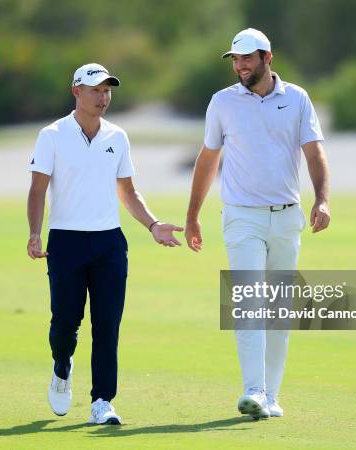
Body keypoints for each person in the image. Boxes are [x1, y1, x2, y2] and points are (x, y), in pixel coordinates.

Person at [185, 28, 331, 419]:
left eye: (247, 57)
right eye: (235, 58)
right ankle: (253, 390)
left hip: (286, 217)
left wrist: (323, 199)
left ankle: (271, 396)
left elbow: (314, 153)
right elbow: (208, 159)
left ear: (268, 57)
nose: (240, 64)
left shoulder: (297, 98)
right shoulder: (222, 102)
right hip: (241, 216)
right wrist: (192, 215)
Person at [27, 63, 183, 425]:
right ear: (76, 92)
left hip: (109, 243)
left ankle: (102, 401)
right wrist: (35, 233)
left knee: (107, 325)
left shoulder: (117, 137)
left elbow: (127, 191)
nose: (103, 97)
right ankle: (62, 365)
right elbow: (37, 189)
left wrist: (153, 224)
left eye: (107, 90)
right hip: (65, 241)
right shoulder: (52, 135)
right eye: (95, 90)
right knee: (65, 323)